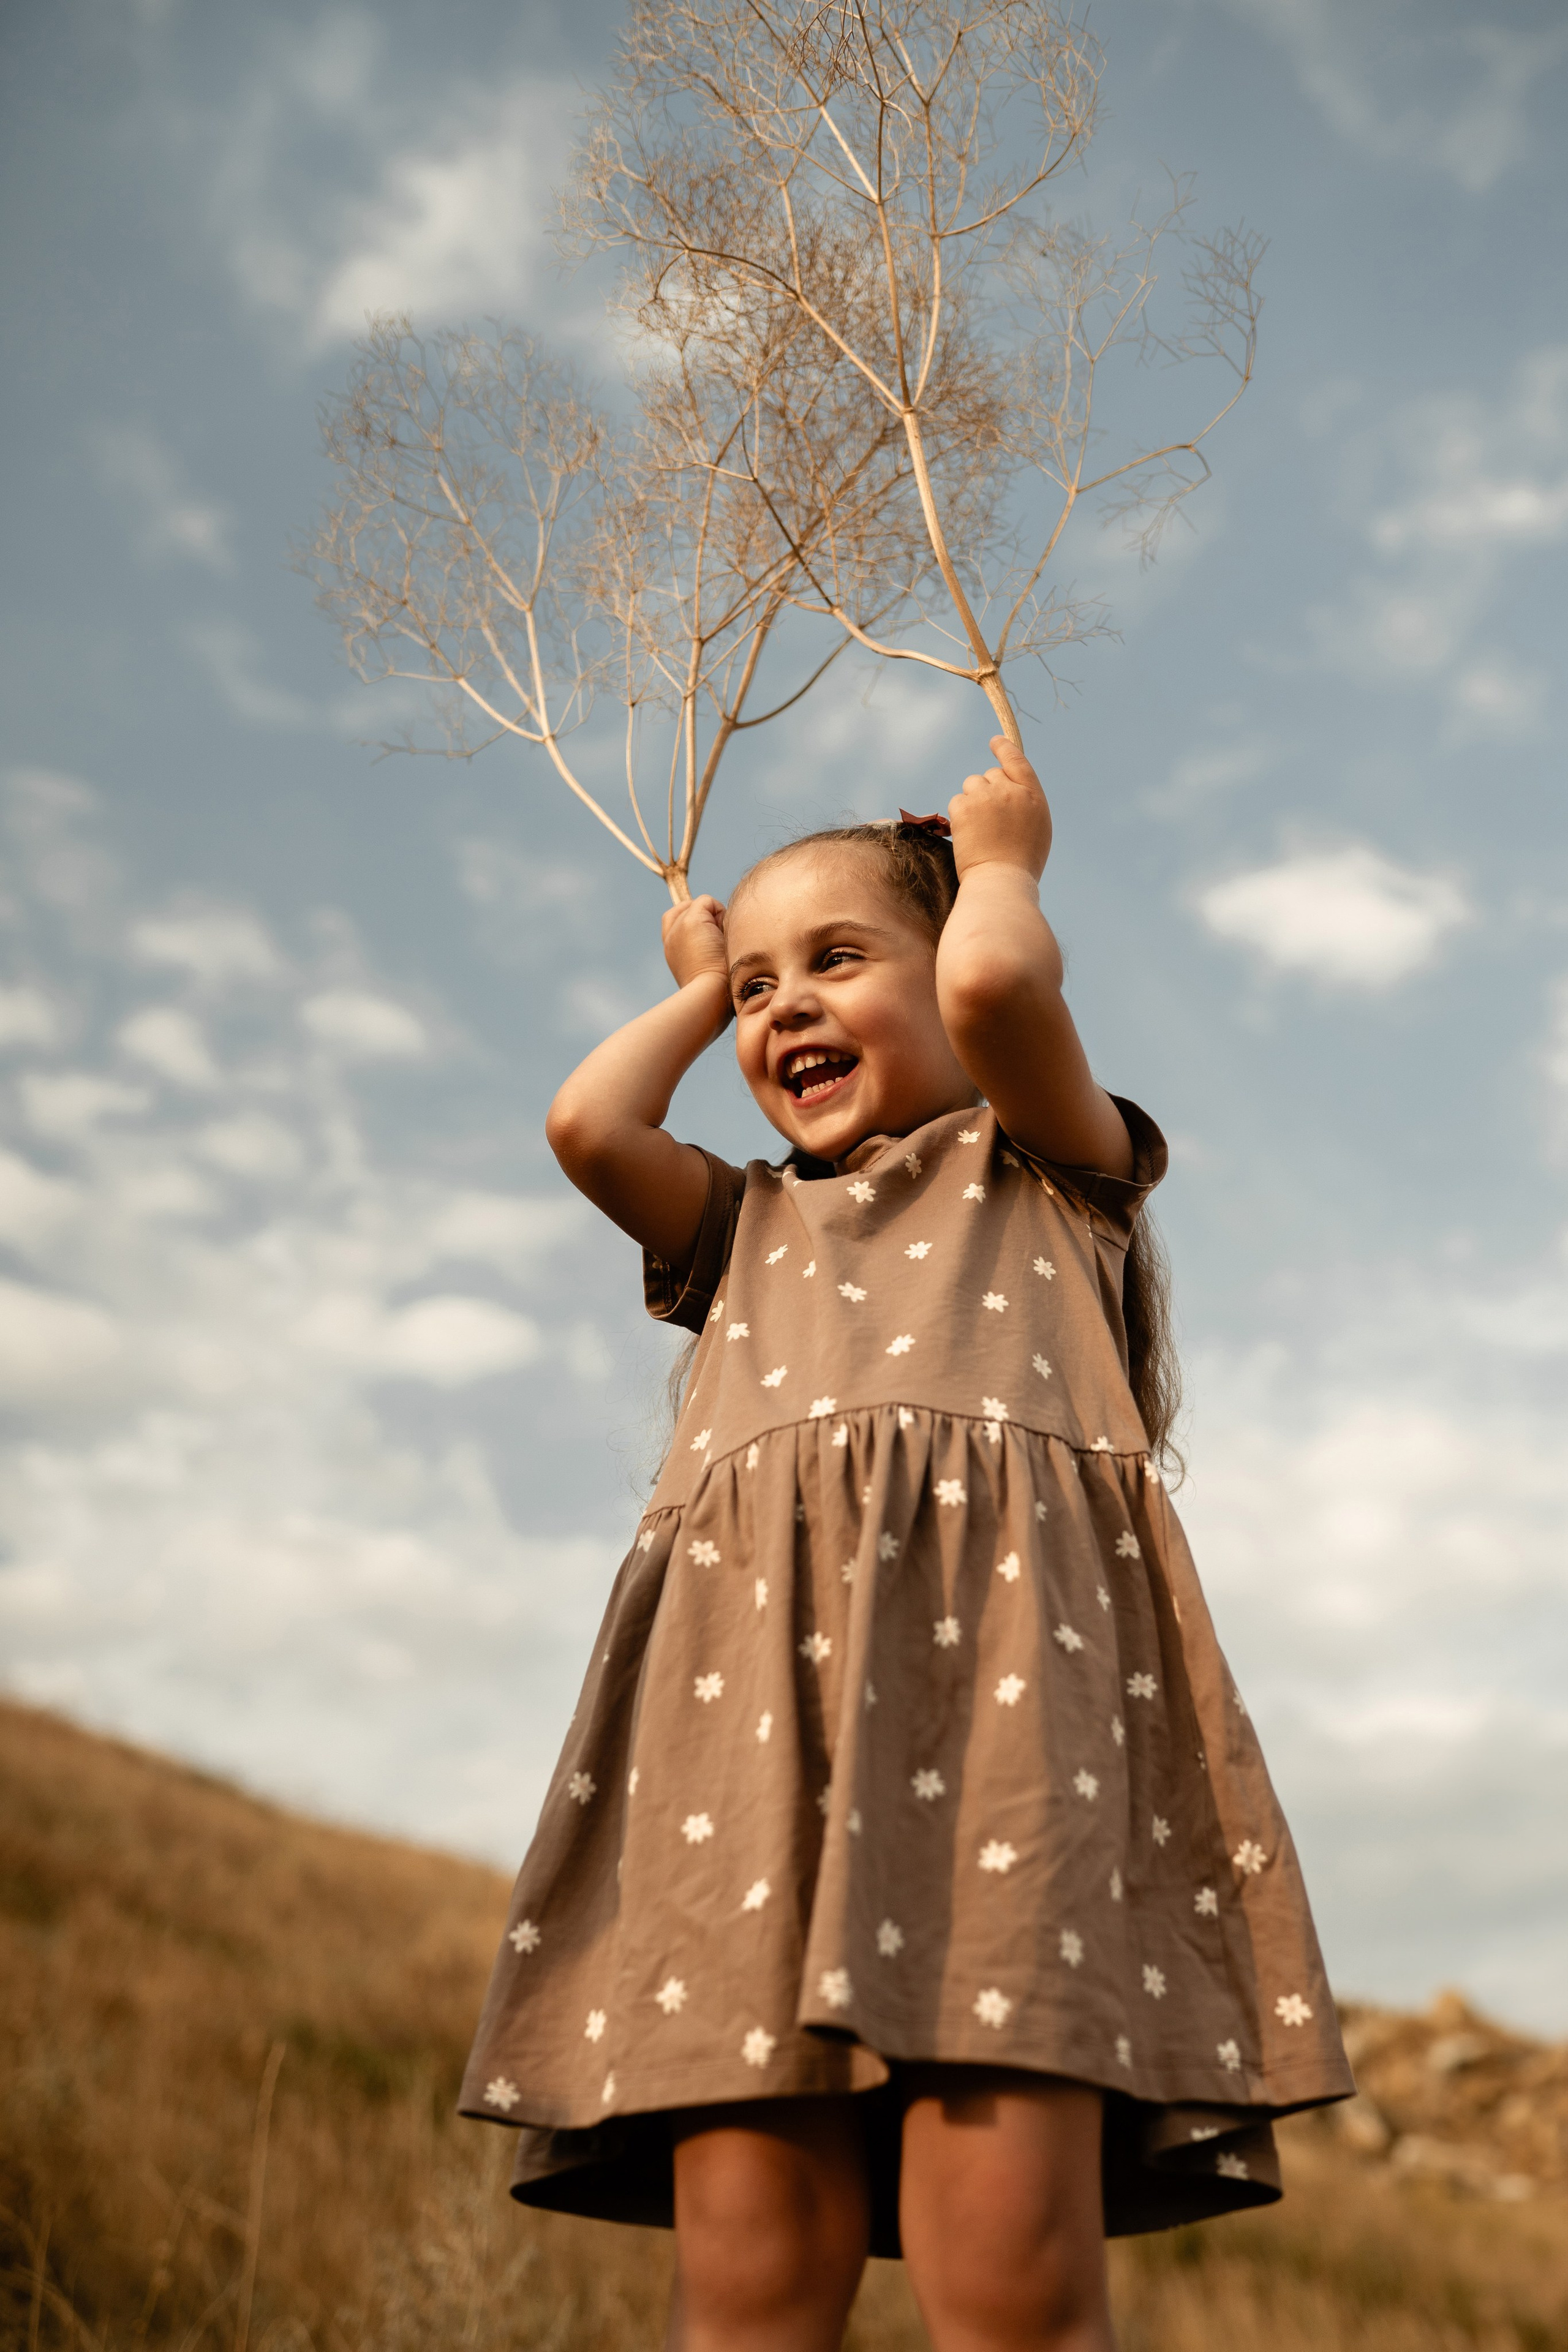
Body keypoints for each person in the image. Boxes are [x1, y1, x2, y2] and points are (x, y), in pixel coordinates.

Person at [461, 737, 1352, 2351]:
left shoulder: (1052, 1173)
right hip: (748, 1778)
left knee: (1008, 2281)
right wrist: (690, 976)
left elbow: (1004, 987)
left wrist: (1003, 855)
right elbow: (591, 1122)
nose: (780, 1007)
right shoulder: (740, 1225)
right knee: (746, 2286)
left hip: (1007, 1761)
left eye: (838, 962)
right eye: (754, 992)